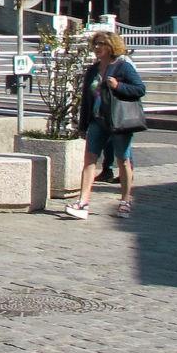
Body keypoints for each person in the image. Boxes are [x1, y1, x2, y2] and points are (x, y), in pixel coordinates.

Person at [64, 31, 146, 219]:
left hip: (118, 121)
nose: (97, 48)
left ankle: (125, 200)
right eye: (95, 44)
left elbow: (140, 89)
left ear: (111, 46)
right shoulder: (93, 70)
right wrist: (83, 124)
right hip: (97, 120)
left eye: (101, 44)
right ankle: (83, 202)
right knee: (90, 159)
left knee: (123, 159)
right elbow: (86, 99)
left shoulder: (123, 67)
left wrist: (118, 86)